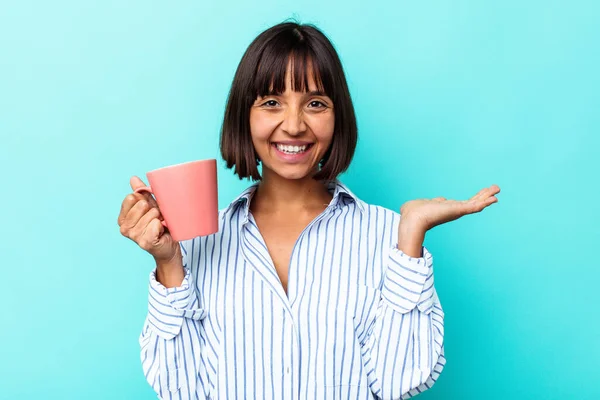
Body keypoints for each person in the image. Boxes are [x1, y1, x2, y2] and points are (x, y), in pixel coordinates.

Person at [118, 21, 500, 400]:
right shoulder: (199, 241)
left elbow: (398, 381)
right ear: (244, 116)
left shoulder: (390, 238)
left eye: (315, 103)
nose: (295, 125)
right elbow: (182, 390)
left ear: (338, 117)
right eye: (271, 103)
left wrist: (411, 236)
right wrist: (169, 263)